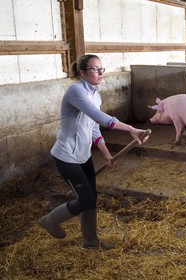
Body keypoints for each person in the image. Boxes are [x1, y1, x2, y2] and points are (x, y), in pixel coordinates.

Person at [39, 54, 149, 249]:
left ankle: (90, 241)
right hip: (66, 156)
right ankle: (50, 220)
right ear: (82, 73)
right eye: (95, 69)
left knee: (91, 199)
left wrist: (106, 153)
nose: (100, 72)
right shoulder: (76, 91)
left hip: (83, 156)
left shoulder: (95, 95)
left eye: (101, 68)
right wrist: (131, 129)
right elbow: (99, 117)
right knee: (86, 199)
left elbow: (93, 127)